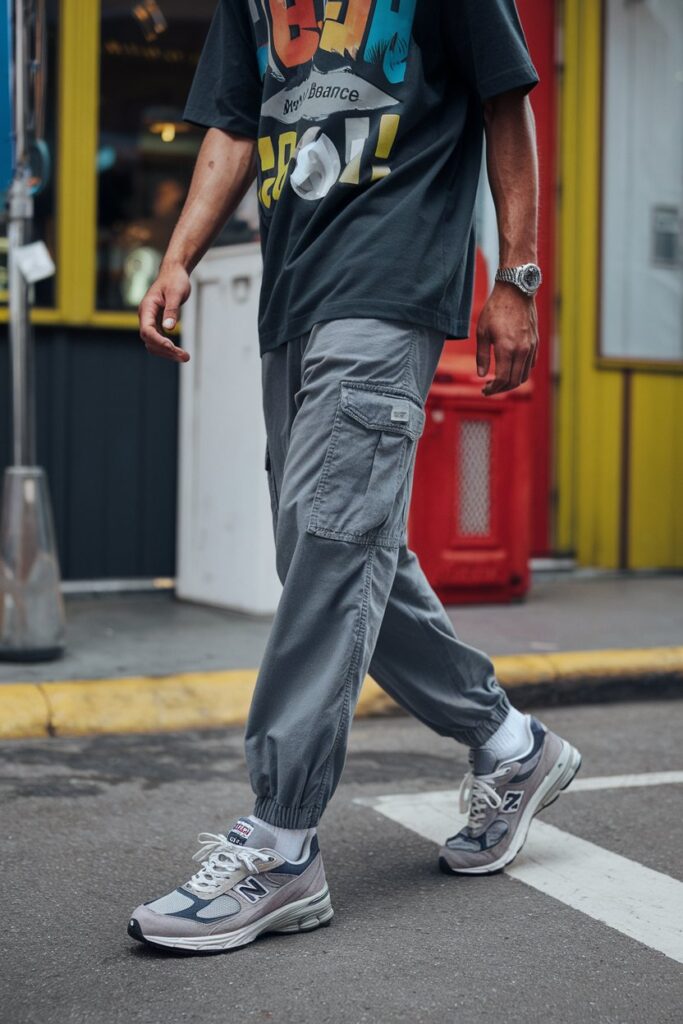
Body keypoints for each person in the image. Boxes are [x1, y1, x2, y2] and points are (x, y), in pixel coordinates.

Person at [129, 0, 581, 954]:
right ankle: (509, 744)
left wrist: (518, 276)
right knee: (328, 552)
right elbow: (233, 121)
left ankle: (283, 843)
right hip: (293, 298)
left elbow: (508, 102)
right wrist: (177, 257)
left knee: (332, 547)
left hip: (390, 285)